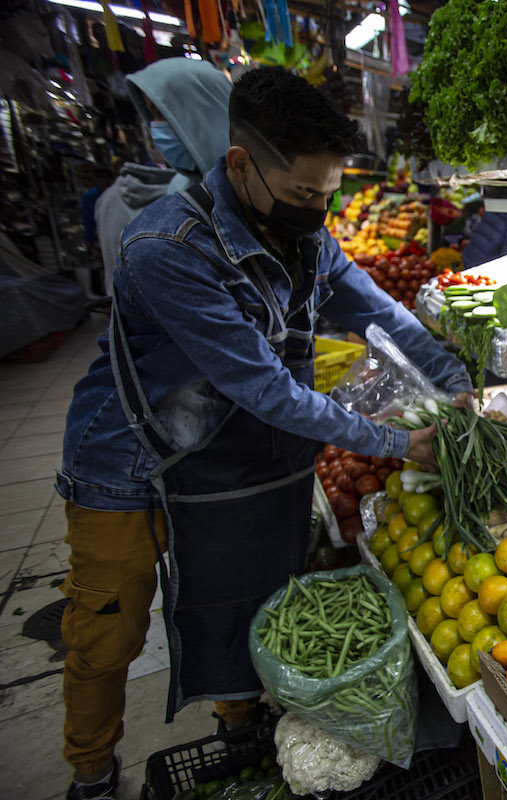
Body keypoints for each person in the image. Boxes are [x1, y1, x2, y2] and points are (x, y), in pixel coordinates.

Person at [55, 66, 473, 800]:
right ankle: (90, 769)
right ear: (241, 164)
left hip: (227, 453)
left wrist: (456, 383)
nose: (318, 209)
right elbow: (265, 390)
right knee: (107, 629)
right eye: (304, 194)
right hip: (129, 457)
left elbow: (382, 315)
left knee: (240, 594)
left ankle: (237, 729)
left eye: (328, 194)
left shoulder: (304, 239)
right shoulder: (170, 248)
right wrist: (399, 442)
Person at [94, 57, 232, 293]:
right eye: (152, 114)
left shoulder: (257, 192)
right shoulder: (177, 190)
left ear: (202, 113)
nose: (154, 126)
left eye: (161, 113)